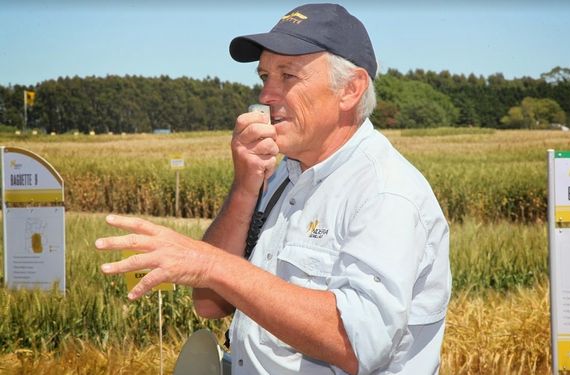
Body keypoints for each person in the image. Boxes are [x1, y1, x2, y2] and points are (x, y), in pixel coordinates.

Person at [95, 3, 451, 374]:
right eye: (264, 76)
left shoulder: (385, 193)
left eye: (288, 76)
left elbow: (357, 343)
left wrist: (209, 262)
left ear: (350, 89)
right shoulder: (286, 174)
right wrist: (245, 187)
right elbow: (211, 304)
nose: (267, 95)